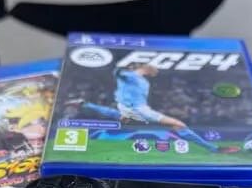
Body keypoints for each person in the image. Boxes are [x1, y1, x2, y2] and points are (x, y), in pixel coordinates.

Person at [67, 63, 236, 153]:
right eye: (152, 66)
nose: (156, 69)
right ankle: (214, 149)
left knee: (118, 114)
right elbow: (118, 72)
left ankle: (84, 104)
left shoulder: (141, 80)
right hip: (139, 109)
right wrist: (123, 69)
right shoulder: (131, 75)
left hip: (134, 108)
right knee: (179, 125)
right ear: (143, 66)